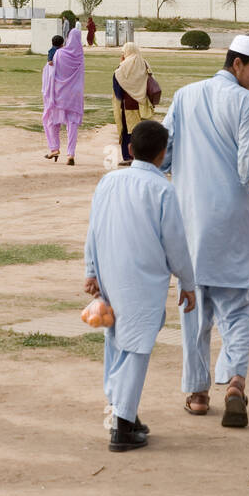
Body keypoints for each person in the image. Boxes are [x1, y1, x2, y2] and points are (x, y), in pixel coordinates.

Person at [160, 35, 249, 427]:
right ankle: (235, 383)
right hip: (232, 223)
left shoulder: (184, 96)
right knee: (237, 308)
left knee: (193, 307)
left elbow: (161, 153)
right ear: (237, 65)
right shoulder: (245, 103)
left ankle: (198, 394)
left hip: (190, 223)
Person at [84, 119, 197, 453]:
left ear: (130, 149)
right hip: (143, 280)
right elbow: (175, 243)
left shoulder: (109, 181)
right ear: (163, 155)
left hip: (110, 275)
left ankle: (125, 412)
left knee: (118, 341)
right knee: (138, 348)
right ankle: (121, 424)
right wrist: (187, 283)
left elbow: (94, 228)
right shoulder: (162, 188)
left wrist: (91, 271)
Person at [113, 42, 159, 164]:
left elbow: (117, 88)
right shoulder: (144, 63)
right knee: (142, 130)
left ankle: (128, 157)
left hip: (127, 104)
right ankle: (142, 157)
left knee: (127, 130)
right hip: (143, 103)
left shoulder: (122, 67)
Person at [46, 24, 84, 165]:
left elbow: (51, 71)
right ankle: (70, 154)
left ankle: (54, 148)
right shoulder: (80, 55)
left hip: (60, 93)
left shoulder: (60, 53)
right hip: (75, 94)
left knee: (52, 120)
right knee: (72, 124)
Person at [42, 35, 65, 159]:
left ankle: (54, 148)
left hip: (52, 96)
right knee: (56, 121)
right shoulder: (66, 56)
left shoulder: (52, 61)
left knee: (49, 121)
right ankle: (63, 151)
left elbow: (48, 80)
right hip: (63, 95)